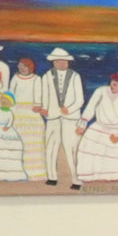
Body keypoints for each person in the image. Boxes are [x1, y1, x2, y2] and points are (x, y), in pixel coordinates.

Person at [37, 48, 87, 187]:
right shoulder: (47, 76)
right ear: (54, 62)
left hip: (70, 118)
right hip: (53, 117)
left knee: (72, 149)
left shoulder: (75, 76)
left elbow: (80, 99)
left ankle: (75, 179)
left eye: (64, 61)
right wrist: (45, 109)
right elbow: (45, 94)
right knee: (51, 147)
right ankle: (51, 177)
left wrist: (69, 109)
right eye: (59, 61)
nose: (62, 64)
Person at [7, 55, 48, 179]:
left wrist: (37, 105)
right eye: (20, 66)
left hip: (31, 112)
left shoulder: (36, 79)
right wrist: (10, 107)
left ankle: (34, 172)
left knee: (33, 142)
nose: (22, 69)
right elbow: (11, 94)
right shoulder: (15, 78)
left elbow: (39, 94)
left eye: (25, 66)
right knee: (16, 141)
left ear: (30, 67)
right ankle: (15, 171)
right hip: (17, 111)